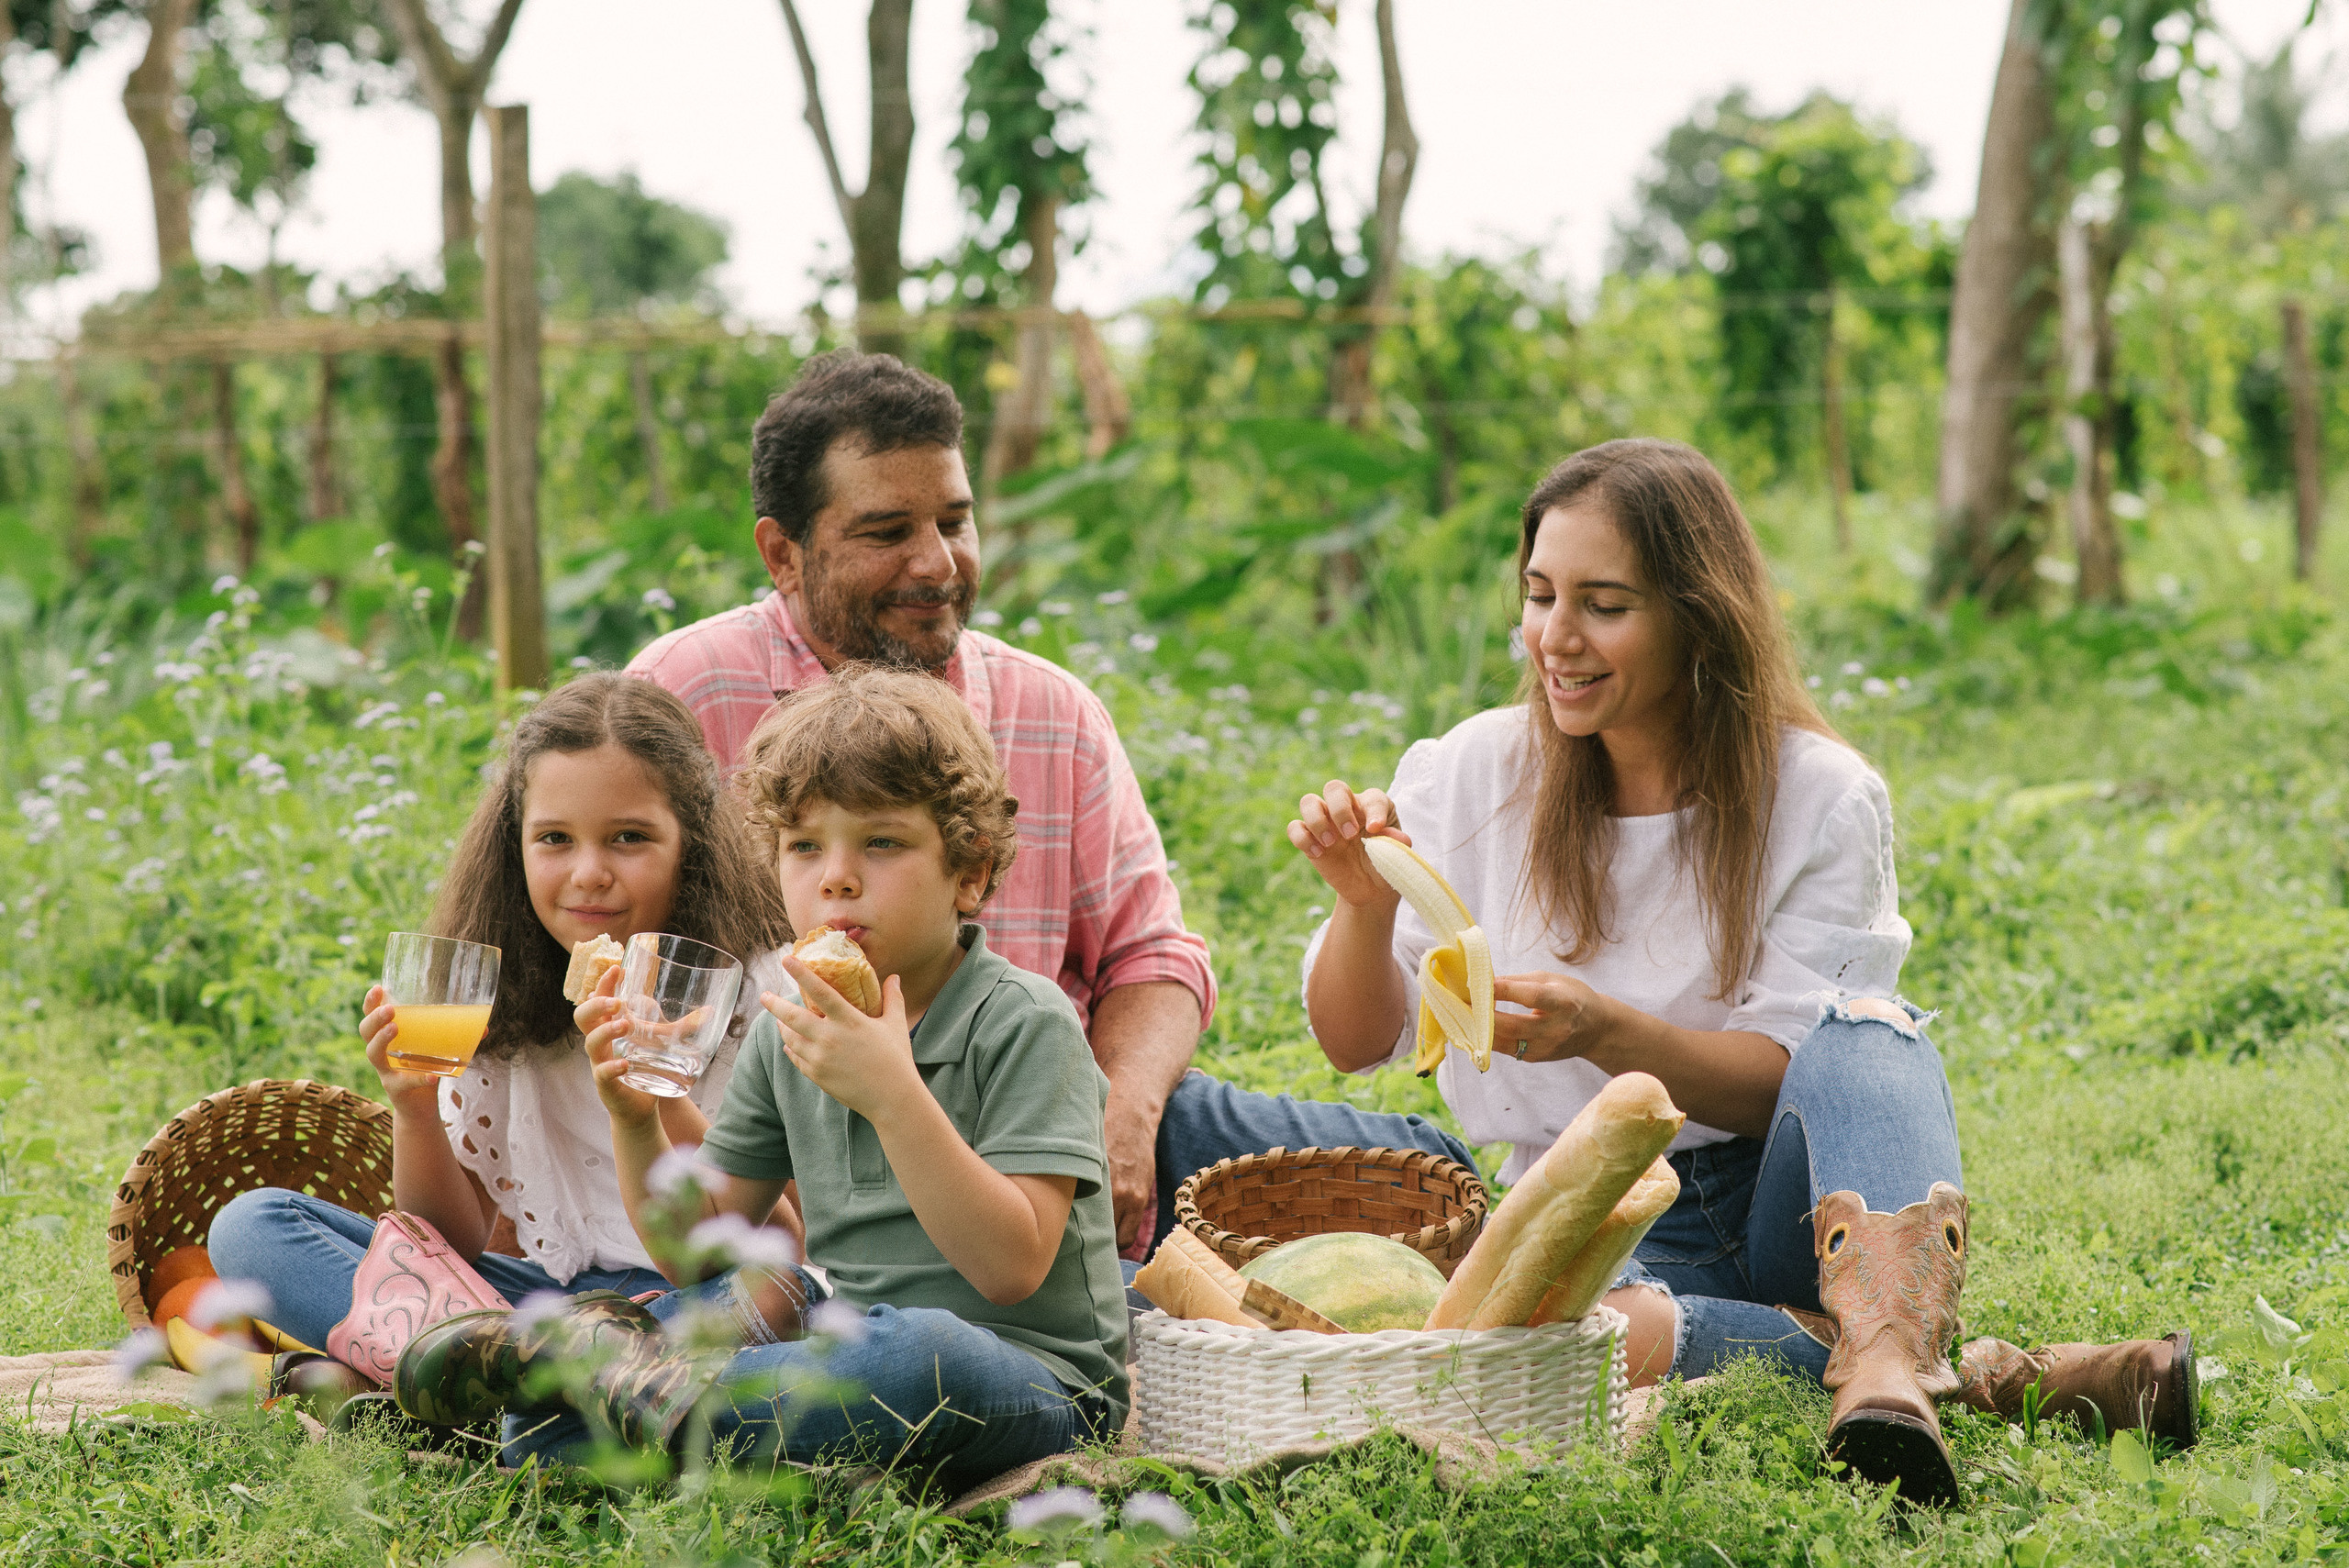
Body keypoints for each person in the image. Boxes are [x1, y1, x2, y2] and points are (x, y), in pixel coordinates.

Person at [1288, 439, 2194, 1507]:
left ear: (1696, 612)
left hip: (1790, 1202)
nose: (1556, 637)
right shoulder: (1474, 770)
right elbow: (1355, 1038)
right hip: (1590, 1211)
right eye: (1539, 596)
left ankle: (1885, 1348)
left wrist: (1607, 1032)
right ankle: (1952, 1369)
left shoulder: (1815, 792)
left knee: (1868, 1027)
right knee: (1579, 1337)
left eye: (1604, 604)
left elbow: (1784, 1075)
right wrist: (1363, 898)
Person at [629, 350, 1473, 1255]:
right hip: (817, 1163)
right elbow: (622, 948)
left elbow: (1150, 955)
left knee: (1420, 1164)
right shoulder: (683, 697)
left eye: (954, 520)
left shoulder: (1051, 710)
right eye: (886, 531)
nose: (936, 561)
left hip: (1056, 1119)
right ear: (782, 554)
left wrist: (1122, 1116)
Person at [394, 664, 1127, 1492]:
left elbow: (1011, 1265)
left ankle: (601, 1410)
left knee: (925, 1354)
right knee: (730, 1311)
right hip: (834, 1335)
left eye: (880, 842)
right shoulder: (793, 1028)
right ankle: (614, 1406)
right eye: (805, 846)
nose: (836, 877)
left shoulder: (1023, 1021)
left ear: (970, 871)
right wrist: (637, 1117)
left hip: (1029, 1380)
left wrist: (892, 1093)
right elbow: (693, 1246)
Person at [208, 673, 796, 1351]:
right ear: (515, 846)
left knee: (768, 1301)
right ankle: (526, 1370)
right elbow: (450, 1240)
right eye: (554, 839)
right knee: (252, 1226)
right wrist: (416, 1106)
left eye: (629, 837)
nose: (588, 872)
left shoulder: (757, 989)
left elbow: (784, 1241)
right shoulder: (502, 989)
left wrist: (653, 1091)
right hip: (542, 1301)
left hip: (698, 1297)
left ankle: (483, 1370)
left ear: (690, 846)